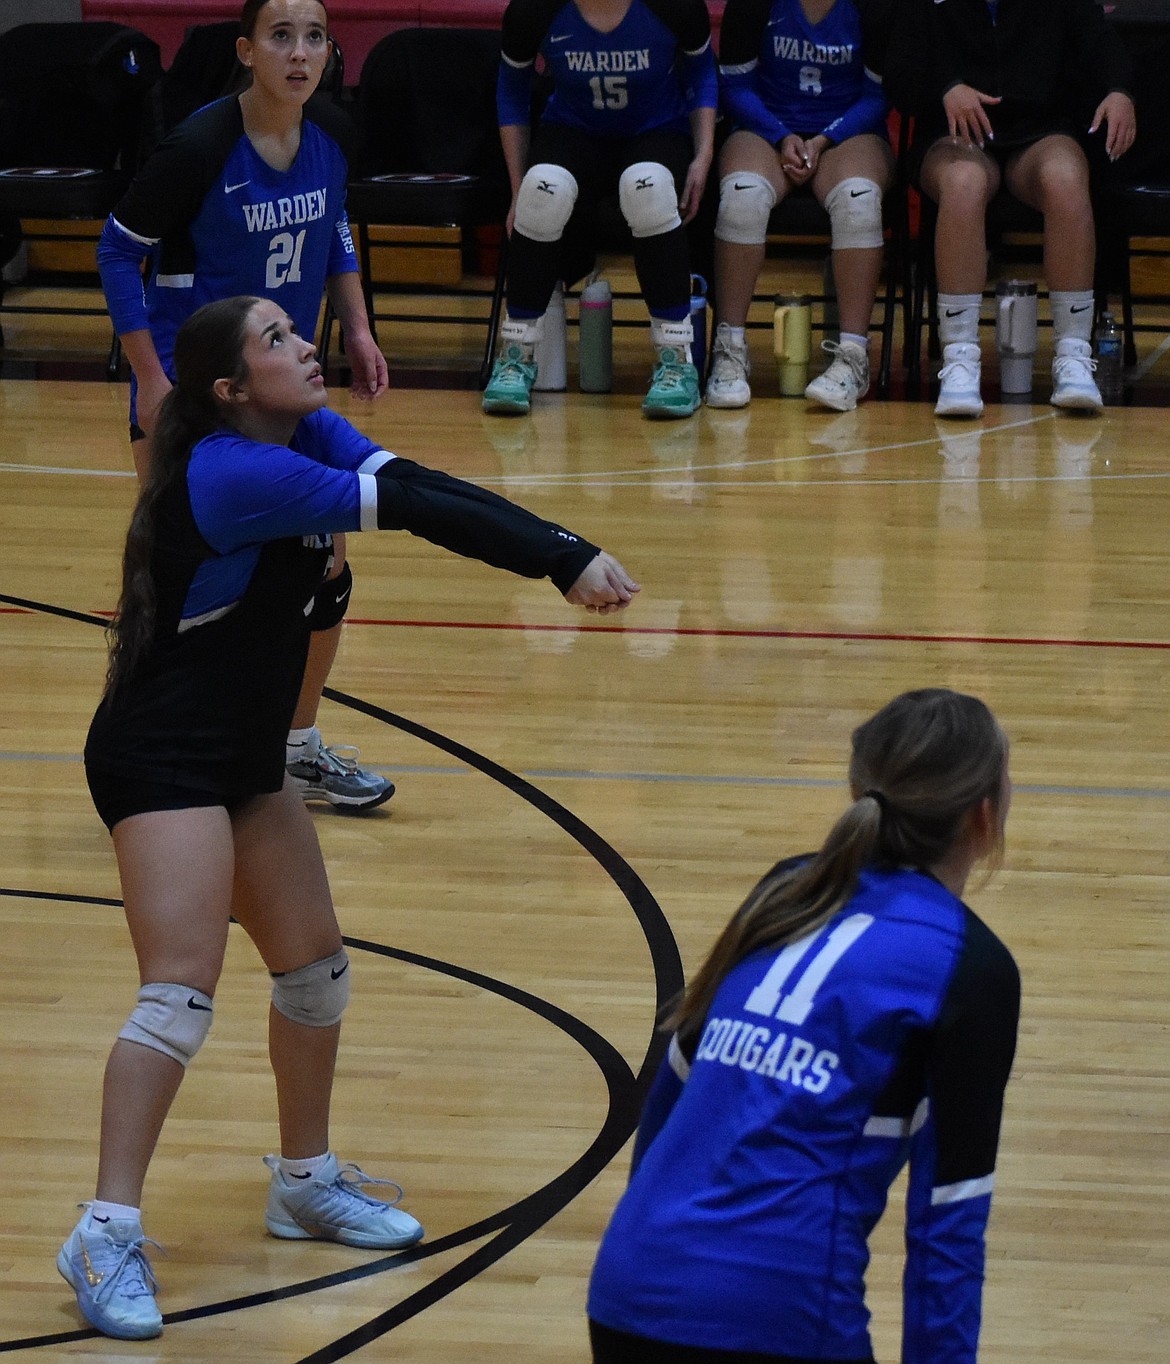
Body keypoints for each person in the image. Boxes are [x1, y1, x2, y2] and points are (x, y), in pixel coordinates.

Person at [58, 294, 640, 1342]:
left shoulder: (298, 429)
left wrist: (552, 541)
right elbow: (412, 507)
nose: (302, 346)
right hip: (163, 756)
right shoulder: (234, 470)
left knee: (315, 970)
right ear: (230, 389)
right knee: (179, 992)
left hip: (243, 752)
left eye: (294, 328)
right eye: (275, 341)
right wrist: (562, 557)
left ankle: (304, 1179)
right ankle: (104, 1229)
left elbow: (408, 481)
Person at [588, 687, 1020, 1363]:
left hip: (628, 1289)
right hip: (776, 1318)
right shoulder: (970, 968)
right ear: (986, 817)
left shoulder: (790, 887)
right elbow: (948, 1222)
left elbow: (672, 1096)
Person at [97, 0, 395, 811]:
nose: (299, 53)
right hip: (193, 396)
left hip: (278, 397)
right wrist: (151, 380)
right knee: (185, 582)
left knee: (324, 573)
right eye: (281, 37)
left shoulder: (330, 133)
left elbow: (334, 227)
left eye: (314, 38)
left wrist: (359, 328)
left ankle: (294, 749)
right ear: (248, 50)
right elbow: (119, 251)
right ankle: (141, 747)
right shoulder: (199, 146)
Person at [886, 0, 1135, 419]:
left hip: (1037, 132)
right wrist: (945, 88)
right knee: (963, 183)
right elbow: (897, 71)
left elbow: (1100, 42)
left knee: (1066, 178)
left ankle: (1073, 355)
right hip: (954, 135)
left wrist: (1120, 91)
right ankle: (959, 358)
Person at [483, 0, 718, 420]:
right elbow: (511, 88)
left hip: (656, 130)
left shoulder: (675, 7)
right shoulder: (532, 11)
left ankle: (676, 360)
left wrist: (703, 154)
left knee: (647, 188)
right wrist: (518, 188)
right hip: (574, 131)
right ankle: (516, 354)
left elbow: (701, 71)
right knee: (541, 191)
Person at [706, 0, 893, 412]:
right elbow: (735, 86)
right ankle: (729, 350)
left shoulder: (874, 9)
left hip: (848, 132)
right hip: (767, 126)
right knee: (742, 195)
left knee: (858, 199)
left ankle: (852, 358)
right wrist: (780, 135)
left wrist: (825, 139)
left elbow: (881, 94)